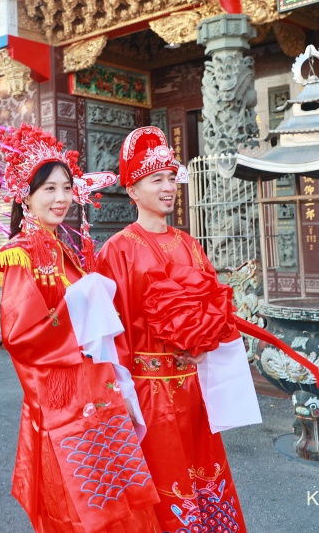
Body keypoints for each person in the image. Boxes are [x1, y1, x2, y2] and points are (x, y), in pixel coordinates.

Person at [0, 124, 161, 533]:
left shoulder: (63, 246)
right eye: (49, 189)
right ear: (25, 196)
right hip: (61, 401)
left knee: (109, 497)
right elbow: (20, 336)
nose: (62, 198)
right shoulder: (21, 255)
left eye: (66, 187)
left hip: (93, 389)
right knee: (77, 505)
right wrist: (80, 306)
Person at [96, 126, 261, 533]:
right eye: (157, 180)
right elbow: (110, 332)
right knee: (161, 481)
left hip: (192, 386)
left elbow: (215, 307)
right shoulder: (116, 250)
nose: (169, 187)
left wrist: (205, 342)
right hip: (148, 393)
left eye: (172, 178)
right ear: (133, 190)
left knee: (204, 474)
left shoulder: (189, 244)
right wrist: (121, 400)